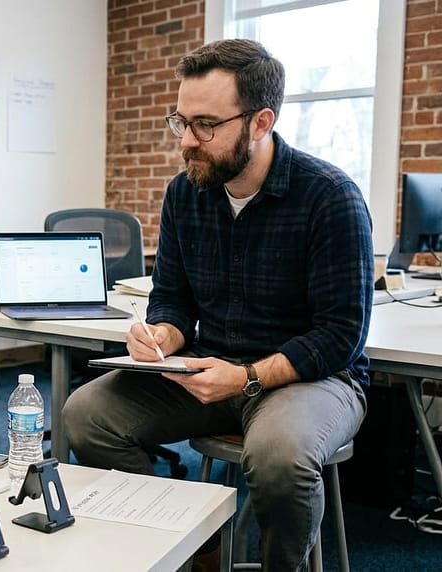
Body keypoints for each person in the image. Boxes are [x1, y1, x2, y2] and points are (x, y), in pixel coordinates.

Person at [62, 39, 372, 571]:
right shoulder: (187, 192)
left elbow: (340, 335)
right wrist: (162, 333)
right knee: (85, 417)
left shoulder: (329, 197)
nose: (187, 141)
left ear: (259, 122)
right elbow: (174, 300)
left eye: (205, 125)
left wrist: (245, 377)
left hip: (312, 379)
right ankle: (201, 555)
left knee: (279, 459)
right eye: (180, 121)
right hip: (208, 371)